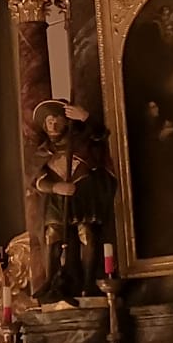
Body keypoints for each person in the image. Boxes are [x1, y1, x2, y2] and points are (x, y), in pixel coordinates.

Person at [31, 99, 116, 302]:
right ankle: (52, 280)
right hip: (56, 201)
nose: (51, 125)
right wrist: (55, 187)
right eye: (47, 122)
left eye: (55, 120)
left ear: (67, 121)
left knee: (86, 233)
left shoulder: (82, 141)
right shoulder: (43, 151)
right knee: (52, 235)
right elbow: (35, 180)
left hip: (83, 194)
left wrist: (85, 117)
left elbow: (100, 134)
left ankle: (88, 282)